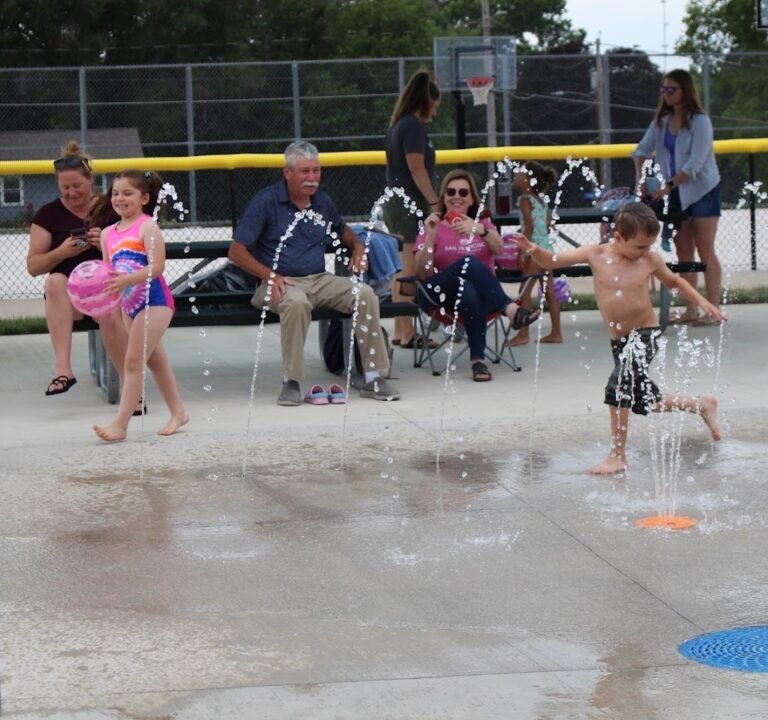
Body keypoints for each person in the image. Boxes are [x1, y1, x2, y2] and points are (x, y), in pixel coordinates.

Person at [510, 203, 726, 475]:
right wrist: (533, 249)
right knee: (642, 399)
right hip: (619, 341)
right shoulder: (596, 254)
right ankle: (700, 404)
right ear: (618, 237)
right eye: (639, 246)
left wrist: (704, 302)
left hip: (644, 335)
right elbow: (553, 260)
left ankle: (618, 456)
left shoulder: (650, 260)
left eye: (649, 246)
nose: (644, 252)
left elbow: (674, 282)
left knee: (618, 388)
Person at [229, 140, 400, 405]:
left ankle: (374, 377)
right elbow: (237, 251)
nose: (312, 178)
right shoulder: (266, 201)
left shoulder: (321, 202)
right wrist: (270, 276)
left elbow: (342, 229)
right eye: (304, 171)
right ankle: (292, 382)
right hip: (277, 283)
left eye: (316, 171)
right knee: (296, 303)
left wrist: (356, 246)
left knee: (364, 293)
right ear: (288, 173)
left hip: (319, 280)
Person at [414, 169, 541, 382]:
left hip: (480, 297)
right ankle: (510, 308)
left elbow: (499, 248)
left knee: (469, 290)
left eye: (463, 193)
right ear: (443, 196)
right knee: (469, 263)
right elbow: (422, 272)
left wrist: (479, 230)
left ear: (472, 198)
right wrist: (431, 236)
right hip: (440, 294)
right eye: (451, 191)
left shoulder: (484, 224)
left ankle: (477, 361)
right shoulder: (432, 224)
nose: (456, 196)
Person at [92, 170, 188, 442]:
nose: (119, 198)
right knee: (156, 362)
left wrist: (125, 280)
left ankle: (121, 424)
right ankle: (179, 413)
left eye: (127, 193)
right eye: (115, 193)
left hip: (155, 303)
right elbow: (108, 271)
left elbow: (157, 268)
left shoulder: (148, 227)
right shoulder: (108, 233)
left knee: (133, 361)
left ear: (144, 198)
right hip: (128, 306)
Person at [26, 141, 128, 397]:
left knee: (107, 306)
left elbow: (135, 254)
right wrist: (62, 251)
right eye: (65, 188)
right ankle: (63, 370)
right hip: (70, 298)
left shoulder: (111, 207)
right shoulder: (48, 215)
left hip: (110, 289)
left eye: (77, 186)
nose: (72, 193)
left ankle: (132, 384)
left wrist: (103, 243)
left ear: (90, 180)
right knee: (54, 281)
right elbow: (33, 266)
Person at [633, 68, 723, 326]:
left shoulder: (700, 121)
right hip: (675, 193)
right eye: (663, 89)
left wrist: (668, 185)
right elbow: (641, 149)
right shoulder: (660, 122)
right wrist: (642, 180)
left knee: (705, 250)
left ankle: (713, 309)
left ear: (685, 91)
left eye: (671, 89)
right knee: (684, 252)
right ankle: (691, 309)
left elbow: (696, 162)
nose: (666, 93)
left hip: (703, 190)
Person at [383, 68, 441, 349]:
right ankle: (407, 332)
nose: (436, 111)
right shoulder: (413, 127)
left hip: (396, 202)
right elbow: (416, 167)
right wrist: (434, 201)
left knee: (400, 267)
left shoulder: (399, 125)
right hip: (406, 204)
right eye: (435, 104)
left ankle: (399, 328)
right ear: (427, 100)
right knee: (407, 269)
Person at [508, 160, 563, 346]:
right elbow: (547, 224)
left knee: (525, 292)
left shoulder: (524, 199)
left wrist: (521, 252)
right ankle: (556, 333)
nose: (516, 176)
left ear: (529, 180)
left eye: (520, 174)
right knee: (549, 293)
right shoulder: (540, 200)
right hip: (547, 250)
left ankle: (523, 334)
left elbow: (529, 227)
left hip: (534, 249)